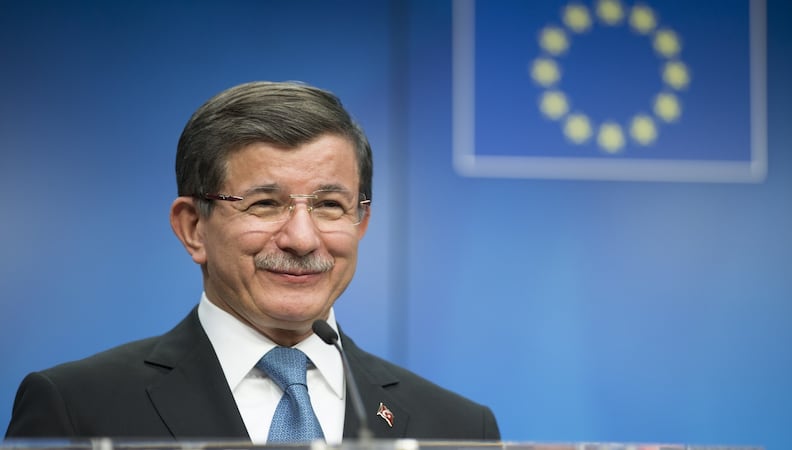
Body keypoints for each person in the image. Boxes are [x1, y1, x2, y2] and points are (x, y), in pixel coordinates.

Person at [5, 81, 501, 444]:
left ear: (361, 223)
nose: (303, 238)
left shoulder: (458, 428)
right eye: (264, 204)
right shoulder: (76, 406)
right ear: (193, 227)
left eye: (330, 206)